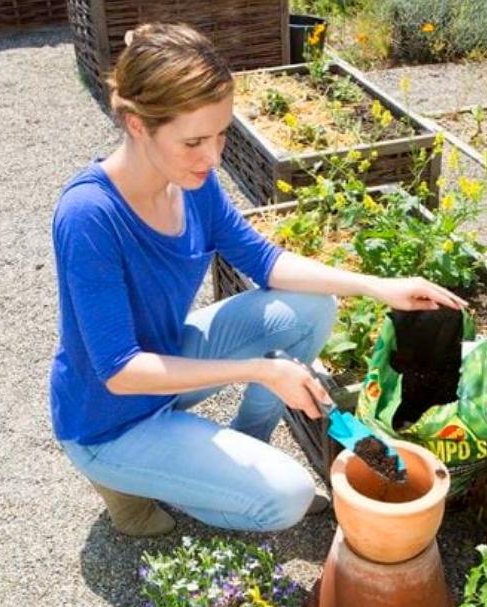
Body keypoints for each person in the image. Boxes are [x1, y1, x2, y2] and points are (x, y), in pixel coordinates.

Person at [50, 22, 463, 537]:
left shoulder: (191, 183)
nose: (214, 156)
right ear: (137, 124)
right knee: (284, 499)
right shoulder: (89, 215)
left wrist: (377, 285)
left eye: (222, 133)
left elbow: (263, 259)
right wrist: (260, 370)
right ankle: (128, 484)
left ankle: (241, 449)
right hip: (110, 418)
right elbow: (119, 371)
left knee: (311, 308)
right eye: (195, 140)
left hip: (166, 360)